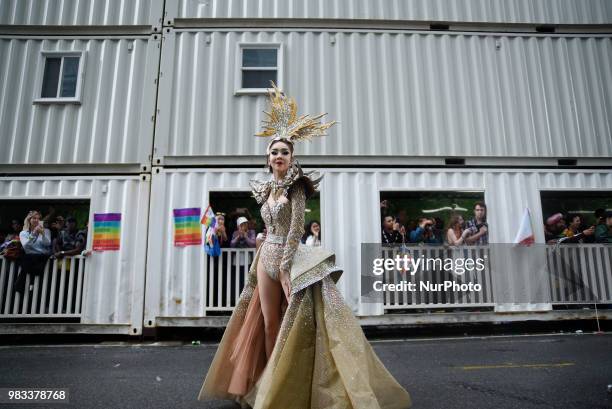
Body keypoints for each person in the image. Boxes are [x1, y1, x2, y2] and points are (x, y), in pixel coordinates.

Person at [198, 84, 411, 408]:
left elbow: (296, 227)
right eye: (274, 152)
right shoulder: (265, 190)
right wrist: (260, 242)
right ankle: (270, 382)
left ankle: (297, 384)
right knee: (269, 323)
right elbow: (269, 226)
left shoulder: (297, 188)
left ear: (292, 158)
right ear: (267, 159)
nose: (279, 156)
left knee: (294, 324)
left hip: (289, 258)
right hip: (265, 256)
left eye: (284, 152)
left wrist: (285, 267)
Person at [14, 210, 52, 294]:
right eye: (34, 218)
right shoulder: (23, 233)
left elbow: (47, 244)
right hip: (30, 258)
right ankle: (28, 287)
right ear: (29, 220)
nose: (36, 220)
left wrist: (43, 234)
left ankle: (25, 286)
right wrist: (34, 233)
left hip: (42, 258)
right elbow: (26, 245)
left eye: (39, 219)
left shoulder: (46, 231)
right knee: (26, 258)